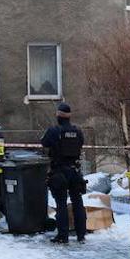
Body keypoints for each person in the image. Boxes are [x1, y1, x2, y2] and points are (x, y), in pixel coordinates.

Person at [41, 102, 86, 244]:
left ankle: (63, 235)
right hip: (75, 171)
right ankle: (81, 235)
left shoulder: (54, 131)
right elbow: (80, 144)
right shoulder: (78, 131)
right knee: (78, 202)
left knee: (61, 204)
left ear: (58, 116)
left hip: (60, 171)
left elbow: (44, 142)